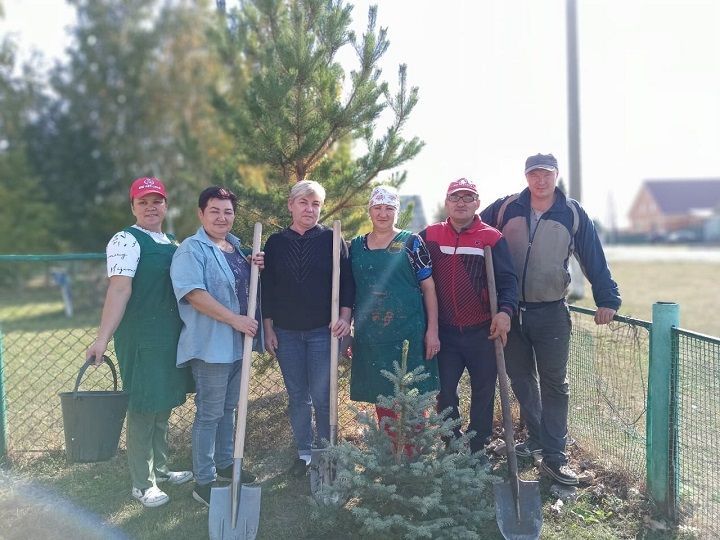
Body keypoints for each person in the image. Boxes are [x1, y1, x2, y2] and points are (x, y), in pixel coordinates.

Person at [481, 153, 621, 485]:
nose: (540, 180)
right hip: (511, 313)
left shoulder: (571, 212)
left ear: (556, 175)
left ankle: (556, 457)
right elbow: (472, 230)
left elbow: (592, 254)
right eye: (534, 174)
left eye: (546, 174)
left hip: (552, 312)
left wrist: (607, 298)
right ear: (526, 176)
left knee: (555, 384)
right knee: (521, 379)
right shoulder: (506, 208)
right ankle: (536, 440)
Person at [86, 176, 194, 508]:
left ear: (165, 205)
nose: (151, 207)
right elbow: (119, 289)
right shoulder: (125, 240)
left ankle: (160, 470)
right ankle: (141, 483)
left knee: (162, 404)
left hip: (169, 334)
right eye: (143, 202)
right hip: (142, 335)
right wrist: (101, 339)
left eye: (157, 201)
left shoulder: (170, 241)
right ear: (133, 206)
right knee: (144, 406)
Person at [170, 186, 263, 507]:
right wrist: (235, 320)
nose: (222, 217)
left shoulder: (235, 248)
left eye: (228, 211)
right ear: (200, 213)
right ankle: (204, 480)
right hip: (211, 345)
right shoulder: (191, 250)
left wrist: (254, 265)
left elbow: (242, 287)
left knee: (229, 409)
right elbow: (194, 294)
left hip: (238, 345)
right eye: (215, 211)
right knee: (209, 413)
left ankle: (225, 463)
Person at [261, 180, 353, 477]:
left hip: (322, 332)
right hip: (286, 332)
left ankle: (326, 451)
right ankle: (304, 453)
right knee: (298, 394)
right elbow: (268, 288)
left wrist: (345, 317)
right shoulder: (276, 243)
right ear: (291, 205)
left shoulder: (332, 238)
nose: (310, 209)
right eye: (304, 203)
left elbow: (348, 283)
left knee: (322, 394)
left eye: (316, 204)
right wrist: (268, 327)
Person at [419, 178, 518, 455]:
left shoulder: (491, 237)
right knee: (445, 391)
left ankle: (478, 446)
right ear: (447, 202)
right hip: (446, 332)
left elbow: (508, 281)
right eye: (455, 197)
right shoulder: (429, 236)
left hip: (482, 331)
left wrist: (505, 312)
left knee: (484, 392)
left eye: (468, 197)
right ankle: (451, 442)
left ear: (477, 203)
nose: (461, 202)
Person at [349, 186, 440, 434]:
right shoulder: (356, 247)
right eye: (377, 208)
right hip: (372, 336)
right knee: (382, 397)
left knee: (412, 398)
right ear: (369, 211)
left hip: (409, 333)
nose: (383, 213)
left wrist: (433, 331)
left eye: (389, 208)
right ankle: (390, 454)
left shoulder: (412, 243)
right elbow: (346, 290)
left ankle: (413, 457)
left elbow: (429, 288)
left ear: (397, 212)